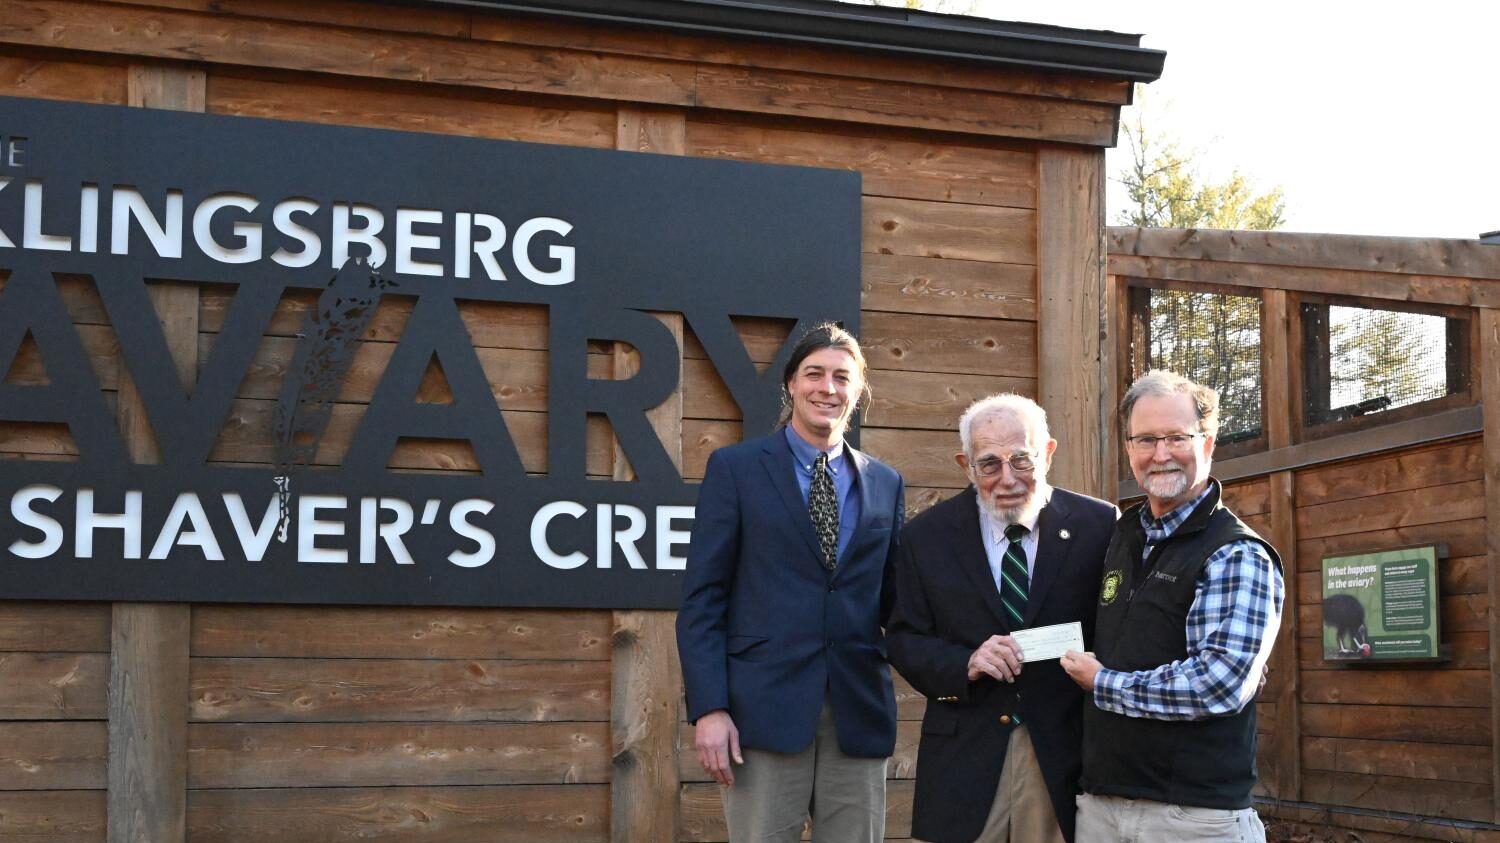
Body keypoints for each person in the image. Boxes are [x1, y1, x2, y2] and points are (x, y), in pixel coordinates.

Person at [676, 322, 906, 843]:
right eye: (814, 374)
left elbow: (898, 602)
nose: (828, 388)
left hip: (856, 712)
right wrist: (710, 709)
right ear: (790, 385)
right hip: (761, 713)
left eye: (842, 377)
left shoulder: (884, 482)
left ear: (858, 390)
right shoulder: (735, 469)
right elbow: (702, 600)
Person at [1061, 370, 1285, 843]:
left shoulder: (1235, 552)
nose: (1160, 454)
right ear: (1128, 449)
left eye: (1176, 438)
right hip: (1102, 805)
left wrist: (1103, 683)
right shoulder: (1120, 536)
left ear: (1207, 443)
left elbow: (1217, 685)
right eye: (1145, 439)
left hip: (1193, 816)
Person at [887, 394, 1117, 843]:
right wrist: (964, 663)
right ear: (966, 465)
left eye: (1022, 460)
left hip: (1063, 754)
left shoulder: (1100, 524)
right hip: (964, 757)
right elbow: (904, 638)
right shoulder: (924, 537)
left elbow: (1125, 620)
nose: (1007, 479)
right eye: (989, 464)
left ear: (1048, 453)